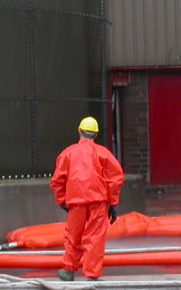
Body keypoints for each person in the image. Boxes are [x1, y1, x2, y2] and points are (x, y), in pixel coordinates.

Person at [50, 116, 125, 281]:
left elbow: (57, 180)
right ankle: (91, 272)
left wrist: (63, 201)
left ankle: (68, 270)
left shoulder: (67, 153)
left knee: (73, 235)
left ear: (79, 132)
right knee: (95, 237)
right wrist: (112, 203)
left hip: (76, 201)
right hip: (98, 201)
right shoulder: (103, 153)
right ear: (96, 135)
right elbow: (115, 178)